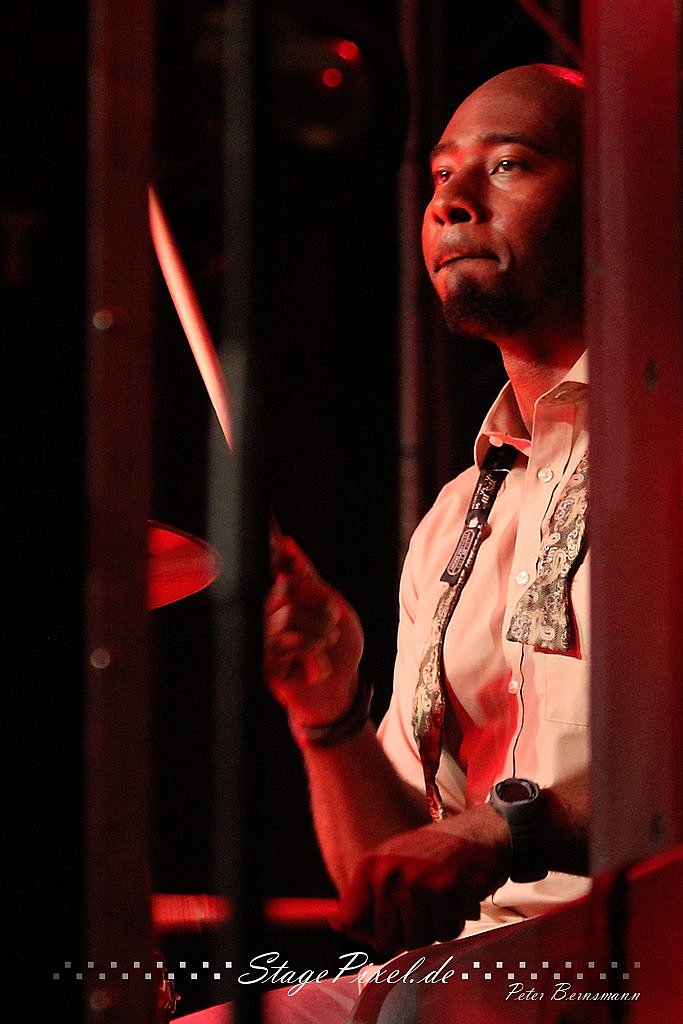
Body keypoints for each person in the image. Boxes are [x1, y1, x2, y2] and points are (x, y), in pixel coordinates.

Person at [180, 61, 591, 1023]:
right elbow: (394, 885)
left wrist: (506, 828)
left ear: (621, 198)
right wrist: (328, 718)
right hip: (473, 976)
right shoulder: (455, 517)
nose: (450, 201)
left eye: (507, 164)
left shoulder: (664, 450)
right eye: (441, 174)